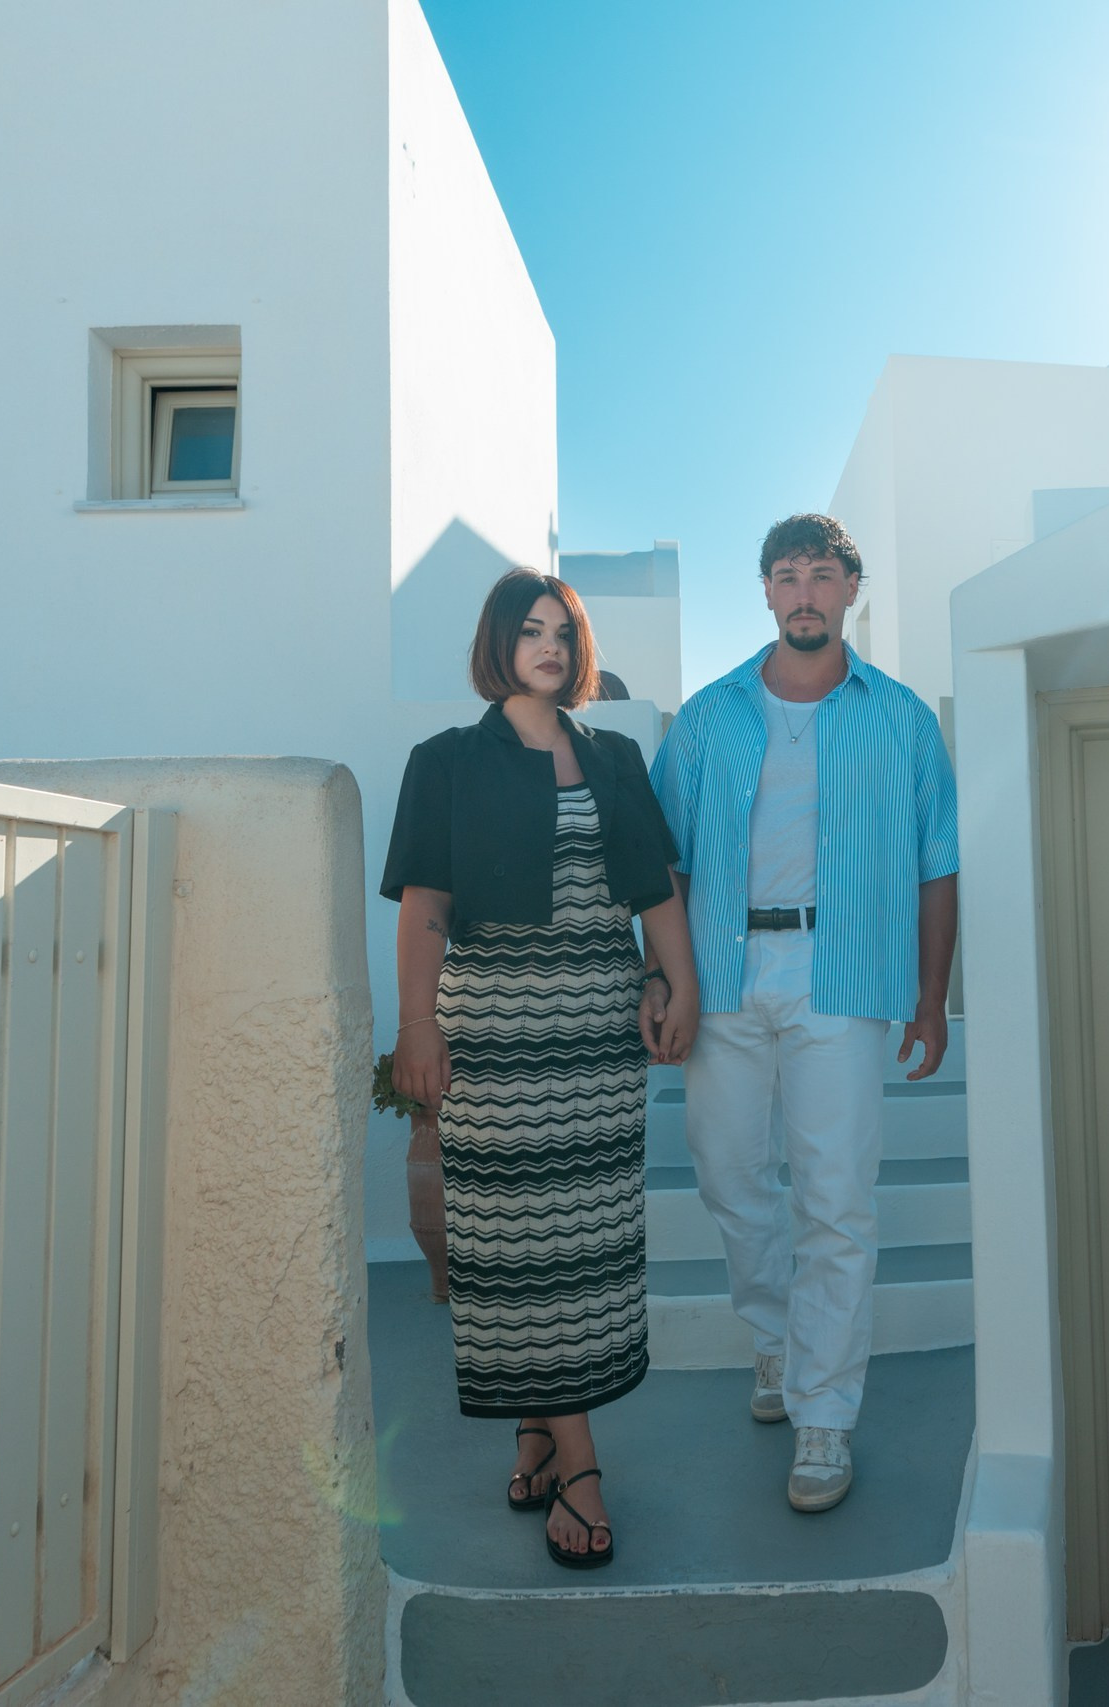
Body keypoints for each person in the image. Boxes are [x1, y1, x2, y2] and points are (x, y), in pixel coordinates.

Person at [383, 567, 698, 1569]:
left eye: (564, 631)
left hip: (595, 1037)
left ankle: (535, 1429)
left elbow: (655, 888)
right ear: (498, 646)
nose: (550, 646)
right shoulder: (444, 762)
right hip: (491, 1033)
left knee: (587, 1249)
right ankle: (582, 1463)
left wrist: (674, 981)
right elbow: (425, 906)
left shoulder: (615, 757)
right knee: (515, 1248)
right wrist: (417, 1029)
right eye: (530, 631)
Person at [644, 512, 959, 1513]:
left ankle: (823, 1413)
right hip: (727, 976)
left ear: (849, 591)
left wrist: (931, 994)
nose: (805, 591)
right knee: (733, 1177)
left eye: (823, 574)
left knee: (835, 1198)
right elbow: (666, 864)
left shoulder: (903, 719)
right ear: (769, 594)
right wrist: (670, 980)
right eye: (787, 575)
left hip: (846, 975)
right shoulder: (707, 718)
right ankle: (779, 1342)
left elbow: (935, 864)